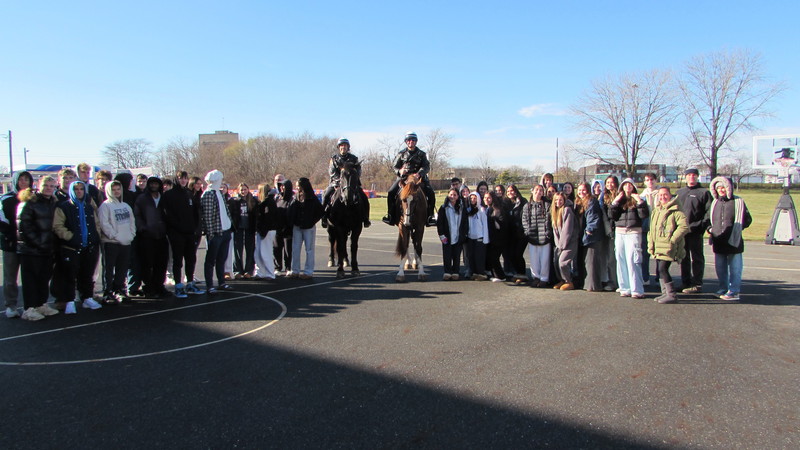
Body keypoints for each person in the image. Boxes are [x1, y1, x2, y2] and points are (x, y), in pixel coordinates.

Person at [52, 181, 103, 313]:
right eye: (76, 189)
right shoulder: (63, 207)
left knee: (87, 274)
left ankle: (87, 297)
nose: (79, 191)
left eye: (81, 189)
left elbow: (96, 223)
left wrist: (95, 236)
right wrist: (71, 237)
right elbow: (58, 226)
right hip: (71, 247)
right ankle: (69, 300)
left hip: (89, 246)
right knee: (70, 275)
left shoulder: (88, 207)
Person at [16, 176, 60, 321]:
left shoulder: (53, 202)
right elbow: (23, 227)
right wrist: (38, 243)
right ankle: (29, 309)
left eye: (52, 186)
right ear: (38, 186)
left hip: (47, 249)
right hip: (31, 250)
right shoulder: (29, 202)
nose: (49, 188)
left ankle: (41, 305)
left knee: (43, 279)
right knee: (31, 281)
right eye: (46, 185)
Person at [708, 177, 752, 301]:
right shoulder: (714, 203)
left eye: (723, 187)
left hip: (733, 241)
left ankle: (734, 291)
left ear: (729, 188)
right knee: (720, 268)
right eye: (718, 188)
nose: (721, 190)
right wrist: (710, 229)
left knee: (735, 268)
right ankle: (723, 288)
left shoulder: (738, 201)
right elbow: (708, 219)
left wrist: (736, 228)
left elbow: (748, 219)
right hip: (718, 240)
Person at [382, 132, 436, 227]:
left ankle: (430, 217)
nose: (411, 142)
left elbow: (426, 166)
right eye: (409, 140)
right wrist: (400, 171)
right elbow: (395, 166)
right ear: (406, 142)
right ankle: (390, 215)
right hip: (404, 179)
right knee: (391, 192)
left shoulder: (422, 154)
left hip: (418, 179)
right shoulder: (401, 153)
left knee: (431, 193)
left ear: (416, 141)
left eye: (413, 140)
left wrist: (419, 173)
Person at [162, 171, 202, 298]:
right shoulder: (169, 195)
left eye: (185, 178)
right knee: (177, 261)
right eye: (180, 178)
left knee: (191, 259)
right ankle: (178, 286)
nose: (183, 181)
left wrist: (194, 228)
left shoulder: (189, 193)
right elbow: (167, 214)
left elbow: (195, 213)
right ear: (176, 179)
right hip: (176, 233)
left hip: (190, 233)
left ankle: (190, 283)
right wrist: (177, 227)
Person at [609, 178, 649, 298]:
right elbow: (612, 216)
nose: (627, 187)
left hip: (634, 232)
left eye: (630, 185)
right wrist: (615, 202)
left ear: (633, 187)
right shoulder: (618, 200)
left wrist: (639, 202)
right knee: (620, 259)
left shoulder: (638, 199)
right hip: (620, 232)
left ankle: (637, 289)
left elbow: (643, 215)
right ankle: (624, 288)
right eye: (625, 185)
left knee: (633, 259)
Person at [647, 187, 689, 304]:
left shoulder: (676, 210)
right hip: (658, 246)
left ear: (670, 195)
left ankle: (672, 294)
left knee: (663, 268)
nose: (663, 197)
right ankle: (665, 292)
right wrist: (651, 241)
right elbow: (652, 228)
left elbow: (684, 227)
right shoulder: (657, 210)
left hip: (668, 247)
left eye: (665, 194)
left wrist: (673, 239)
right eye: (660, 195)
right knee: (660, 270)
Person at [98, 180, 137, 304]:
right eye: (113, 190)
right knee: (109, 269)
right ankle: (108, 291)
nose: (116, 192)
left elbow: (132, 221)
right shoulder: (105, 206)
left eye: (118, 189)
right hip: (111, 242)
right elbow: (104, 224)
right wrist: (114, 236)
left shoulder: (125, 206)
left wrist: (131, 235)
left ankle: (119, 289)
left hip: (126, 242)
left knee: (122, 268)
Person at [1, 170, 33, 318]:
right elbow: (2, 223)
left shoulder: (33, 198)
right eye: (21, 179)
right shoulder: (6, 199)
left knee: (29, 277)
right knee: (10, 278)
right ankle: (11, 305)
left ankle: (30, 305)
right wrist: (12, 235)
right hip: (11, 245)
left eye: (27, 179)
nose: (24, 182)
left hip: (29, 245)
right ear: (15, 181)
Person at [676, 168, 713, 293]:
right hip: (682, 231)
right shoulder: (680, 192)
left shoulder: (704, 192)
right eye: (689, 175)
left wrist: (701, 225)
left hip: (696, 231)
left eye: (694, 175)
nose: (691, 177)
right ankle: (685, 282)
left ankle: (697, 283)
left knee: (697, 258)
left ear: (697, 177)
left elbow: (709, 212)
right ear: (685, 177)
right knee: (683, 257)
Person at [134, 176, 170, 298]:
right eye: (152, 184)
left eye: (156, 184)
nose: (154, 186)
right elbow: (137, 215)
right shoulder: (142, 199)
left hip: (161, 235)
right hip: (147, 236)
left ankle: (159, 286)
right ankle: (148, 288)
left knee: (161, 263)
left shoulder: (163, 198)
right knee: (147, 263)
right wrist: (142, 228)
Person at [201, 170, 234, 294]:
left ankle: (221, 282)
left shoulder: (219, 193)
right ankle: (210, 285)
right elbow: (207, 215)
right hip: (216, 232)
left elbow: (225, 211)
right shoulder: (208, 194)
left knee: (222, 259)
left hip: (225, 231)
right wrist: (210, 233)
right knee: (211, 260)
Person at [322, 138, 366, 228]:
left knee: (364, 197)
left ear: (348, 147)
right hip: (336, 183)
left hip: (351, 184)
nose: (343, 147)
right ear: (339, 147)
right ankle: (324, 217)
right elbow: (332, 172)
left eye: (345, 145)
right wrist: (340, 182)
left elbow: (358, 171)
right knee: (326, 195)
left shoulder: (354, 158)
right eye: (341, 145)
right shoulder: (334, 159)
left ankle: (365, 218)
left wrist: (353, 180)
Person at [288, 178, 323, 279]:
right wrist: (292, 222)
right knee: (295, 249)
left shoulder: (312, 198)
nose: (297, 188)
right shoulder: (295, 197)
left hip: (309, 228)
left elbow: (320, 211)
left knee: (309, 250)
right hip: (297, 227)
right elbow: (290, 211)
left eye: (298, 186)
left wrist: (312, 221)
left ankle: (308, 272)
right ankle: (295, 270)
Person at [575, 182, 604, 292]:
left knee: (591, 262)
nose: (581, 192)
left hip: (591, 237)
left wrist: (589, 230)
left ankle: (593, 285)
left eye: (583, 190)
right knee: (584, 261)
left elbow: (594, 218)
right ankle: (584, 283)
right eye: (579, 190)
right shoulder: (579, 202)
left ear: (588, 190)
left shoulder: (591, 201)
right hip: (582, 236)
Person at [522, 185, 552, 287]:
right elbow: (524, 220)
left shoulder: (547, 205)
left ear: (543, 193)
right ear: (532, 191)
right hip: (532, 237)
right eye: (536, 190)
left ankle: (544, 278)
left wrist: (547, 232)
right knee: (534, 259)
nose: (538, 192)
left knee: (544, 260)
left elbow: (548, 219)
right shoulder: (527, 206)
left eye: (541, 190)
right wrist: (527, 231)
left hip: (544, 237)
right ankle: (536, 277)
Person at [437, 188, 467, 281]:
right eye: (451, 194)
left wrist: (464, 234)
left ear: (458, 196)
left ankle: (455, 271)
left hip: (458, 236)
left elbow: (465, 222)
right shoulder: (443, 208)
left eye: (454, 195)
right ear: (448, 195)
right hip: (447, 236)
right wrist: (442, 235)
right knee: (447, 255)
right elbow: (440, 223)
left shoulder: (462, 208)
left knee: (456, 255)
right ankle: (447, 271)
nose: (452, 197)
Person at [551, 192, 579, 291]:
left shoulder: (567, 210)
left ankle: (568, 281)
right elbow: (555, 230)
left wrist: (562, 245)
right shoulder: (555, 212)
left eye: (560, 200)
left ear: (564, 200)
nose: (558, 202)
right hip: (559, 244)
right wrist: (558, 244)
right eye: (556, 200)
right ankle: (562, 280)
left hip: (569, 242)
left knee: (563, 262)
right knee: (556, 262)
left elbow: (567, 230)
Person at [229, 183, 257, 279]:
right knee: (238, 250)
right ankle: (238, 270)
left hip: (249, 228)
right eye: (241, 190)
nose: (243, 191)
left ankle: (249, 270)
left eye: (245, 189)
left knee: (250, 249)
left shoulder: (253, 201)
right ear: (238, 191)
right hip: (238, 228)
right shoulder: (235, 201)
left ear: (248, 190)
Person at [599, 175, 620, 292]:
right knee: (606, 257)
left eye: (612, 182)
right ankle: (608, 280)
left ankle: (614, 282)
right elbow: (603, 214)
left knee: (613, 258)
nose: (609, 185)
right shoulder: (603, 197)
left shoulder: (620, 195)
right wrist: (608, 229)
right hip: (606, 229)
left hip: (618, 229)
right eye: (607, 183)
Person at [484, 192, 509, 282]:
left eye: (489, 198)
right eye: (485, 198)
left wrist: (496, 222)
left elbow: (501, 224)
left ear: (493, 198)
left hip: (498, 239)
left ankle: (500, 276)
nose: (486, 199)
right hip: (491, 238)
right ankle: (496, 275)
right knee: (491, 257)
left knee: (494, 257)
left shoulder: (497, 210)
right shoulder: (488, 209)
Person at [254, 184, 278, 280]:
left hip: (268, 230)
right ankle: (261, 272)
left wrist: (264, 230)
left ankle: (270, 273)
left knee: (266, 252)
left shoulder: (269, 202)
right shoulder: (263, 202)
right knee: (258, 253)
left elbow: (269, 218)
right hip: (262, 230)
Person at [505, 184, 528, 283]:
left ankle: (522, 274)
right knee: (511, 255)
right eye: (508, 191)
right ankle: (518, 273)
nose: (510, 193)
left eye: (512, 191)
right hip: (511, 234)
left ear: (516, 191)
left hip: (521, 233)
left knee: (518, 254)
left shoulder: (523, 202)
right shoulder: (506, 203)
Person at [639, 173, 659, 286]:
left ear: (656, 180)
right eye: (647, 180)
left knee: (659, 254)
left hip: (658, 228)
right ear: (645, 182)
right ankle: (645, 277)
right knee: (644, 254)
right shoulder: (642, 196)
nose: (650, 182)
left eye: (652, 179)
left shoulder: (661, 194)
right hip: (645, 228)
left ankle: (659, 278)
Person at [464, 192, 488, 281]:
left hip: (480, 237)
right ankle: (474, 272)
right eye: (471, 198)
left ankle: (481, 273)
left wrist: (485, 238)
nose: (473, 200)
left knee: (479, 256)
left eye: (475, 198)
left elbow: (485, 225)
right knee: (471, 256)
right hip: (470, 237)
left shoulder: (481, 210)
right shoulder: (468, 210)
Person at [274, 179, 294, 276]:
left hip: (288, 229)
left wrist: (288, 225)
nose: (282, 188)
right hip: (277, 228)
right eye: (280, 186)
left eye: (283, 186)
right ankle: (277, 267)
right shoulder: (277, 198)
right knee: (276, 248)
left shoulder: (292, 199)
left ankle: (288, 267)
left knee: (288, 250)